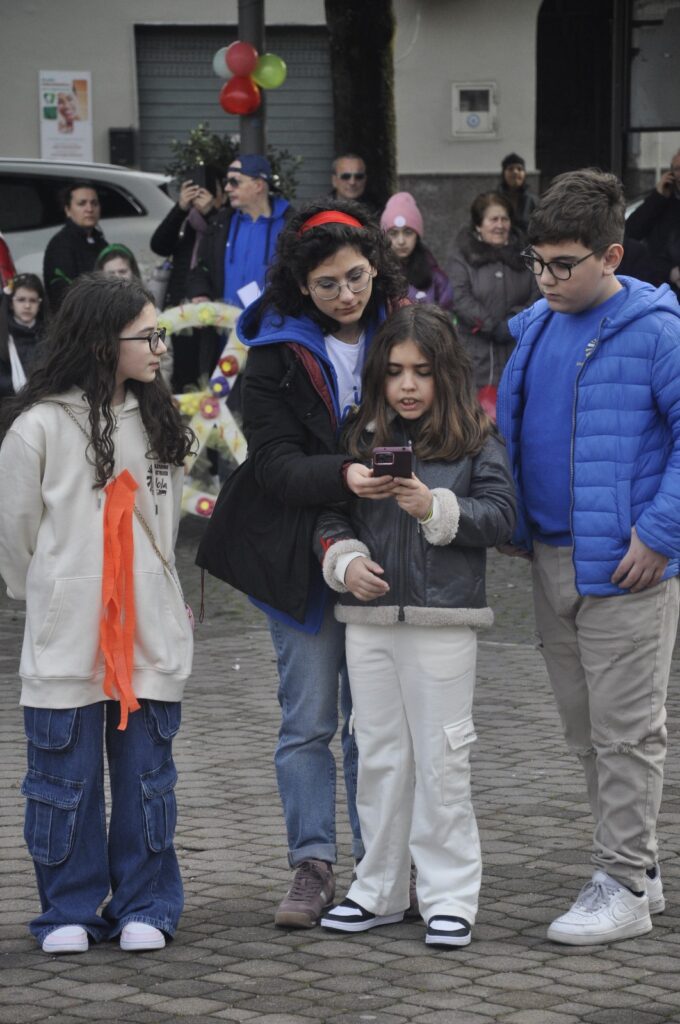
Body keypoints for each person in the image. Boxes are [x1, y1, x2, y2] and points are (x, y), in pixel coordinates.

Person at [195, 199, 407, 928]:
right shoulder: (275, 351)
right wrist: (344, 476)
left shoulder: (404, 334)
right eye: (328, 284)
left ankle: (384, 868)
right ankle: (312, 864)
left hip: (390, 547)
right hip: (296, 551)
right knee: (310, 720)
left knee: (377, 723)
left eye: (357, 277)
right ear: (300, 286)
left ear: (376, 267)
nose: (347, 294)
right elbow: (276, 465)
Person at [497, 168, 680, 946]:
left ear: (611, 254)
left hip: (630, 564)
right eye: (537, 262)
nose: (547, 278)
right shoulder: (536, 324)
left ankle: (623, 883)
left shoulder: (658, 328)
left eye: (563, 264)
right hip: (551, 557)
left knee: (626, 732)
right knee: (584, 733)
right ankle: (638, 866)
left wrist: (661, 532)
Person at [0, 273, 195, 954]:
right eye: (146, 336)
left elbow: (165, 534)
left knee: (147, 779)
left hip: (145, 636)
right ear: (100, 342)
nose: (159, 348)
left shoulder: (162, 420)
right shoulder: (38, 428)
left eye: (160, 334)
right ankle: (68, 911)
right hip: (67, 638)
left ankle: (147, 901)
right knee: (63, 782)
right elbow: (16, 540)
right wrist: (61, 594)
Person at [313, 304, 515, 947]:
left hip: (443, 622)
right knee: (377, 758)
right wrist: (344, 562)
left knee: (442, 760)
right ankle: (376, 890)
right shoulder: (359, 437)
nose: (407, 385)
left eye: (421, 372)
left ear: (443, 375)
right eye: (396, 371)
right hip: (368, 622)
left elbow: (502, 514)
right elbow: (329, 517)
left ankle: (449, 895)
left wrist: (437, 507)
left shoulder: (474, 438)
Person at [450, 192, 538, 398]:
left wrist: (512, 323)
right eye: (493, 219)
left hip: (516, 345)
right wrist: (489, 325)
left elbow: (537, 292)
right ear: (479, 225)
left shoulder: (526, 255)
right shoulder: (462, 255)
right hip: (477, 353)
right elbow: (459, 295)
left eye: (504, 219)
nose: (500, 225)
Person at [150, 168, 224, 392]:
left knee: (208, 375)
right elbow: (159, 245)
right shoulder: (185, 224)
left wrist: (211, 212)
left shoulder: (222, 221)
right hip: (177, 309)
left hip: (211, 314)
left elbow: (221, 243)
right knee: (179, 374)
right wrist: (180, 208)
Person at [187, 155, 291, 310]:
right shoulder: (220, 224)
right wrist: (201, 294)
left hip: (274, 328)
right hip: (224, 328)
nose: (227, 188)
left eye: (234, 182)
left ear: (258, 185)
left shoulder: (291, 226)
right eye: (226, 182)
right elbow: (201, 268)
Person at [381, 192, 454, 311]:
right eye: (393, 233)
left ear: (417, 235)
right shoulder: (377, 274)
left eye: (408, 232)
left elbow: (448, 314)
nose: (401, 241)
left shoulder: (435, 276)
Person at [43, 182, 107, 313]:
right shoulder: (61, 244)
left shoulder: (101, 242)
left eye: (94, 203)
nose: (89, 209)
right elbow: (63, 293)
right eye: (82, 203)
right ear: (67, 210)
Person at [626, 151, 680, 292]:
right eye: (677, 169)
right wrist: (658, 196)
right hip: (663, 284)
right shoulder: (662, 202)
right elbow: (631, 232)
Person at [0, 273, 46, 398]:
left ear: (40, 304)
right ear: (10, 303)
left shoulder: (50, 335)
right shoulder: (3, 336)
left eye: (33, 300)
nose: (27, 306)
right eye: (21, 300)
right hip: (7, 408)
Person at [497, 153, 537, 232]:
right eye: (510, 169)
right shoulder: (494, 199)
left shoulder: (533, 201)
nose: (515, 172)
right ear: (503, 173)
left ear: (524, 174)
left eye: (519, 169)